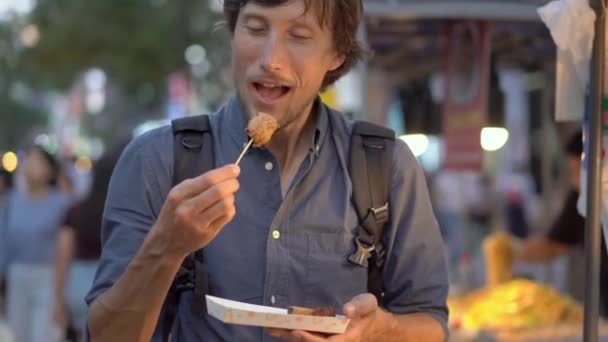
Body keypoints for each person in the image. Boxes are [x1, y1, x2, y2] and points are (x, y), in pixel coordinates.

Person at [85, 1, 449, 341]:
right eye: (255, 29)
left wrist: (379, 330)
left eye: (299, 36)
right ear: (233, 33)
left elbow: (430, 322)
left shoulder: (386, 165)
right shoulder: (157, 160)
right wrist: (165, 248)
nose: (269, 59)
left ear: (336, 53)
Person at [510, 130, 608, 315]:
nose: (575, 180)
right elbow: (554, 245)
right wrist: (512, 249)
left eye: (577, 171)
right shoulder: (579, 197)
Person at [52, 143, 127, 341]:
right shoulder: (127, 216)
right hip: (113, 285)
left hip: (78, 285)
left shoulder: (76, 211)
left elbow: (63, 254)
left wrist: (58, 300)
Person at [0, 145, 72, 342]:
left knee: (44, 335)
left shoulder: (61, 203)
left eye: (38, 161)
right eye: (29, 161)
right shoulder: (11, 202)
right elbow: (3, 245)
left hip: (47, 276)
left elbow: (64, 249)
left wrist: (60, 295)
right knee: (18, 335)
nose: (32, 166)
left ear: (50, 170)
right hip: (18, 275)